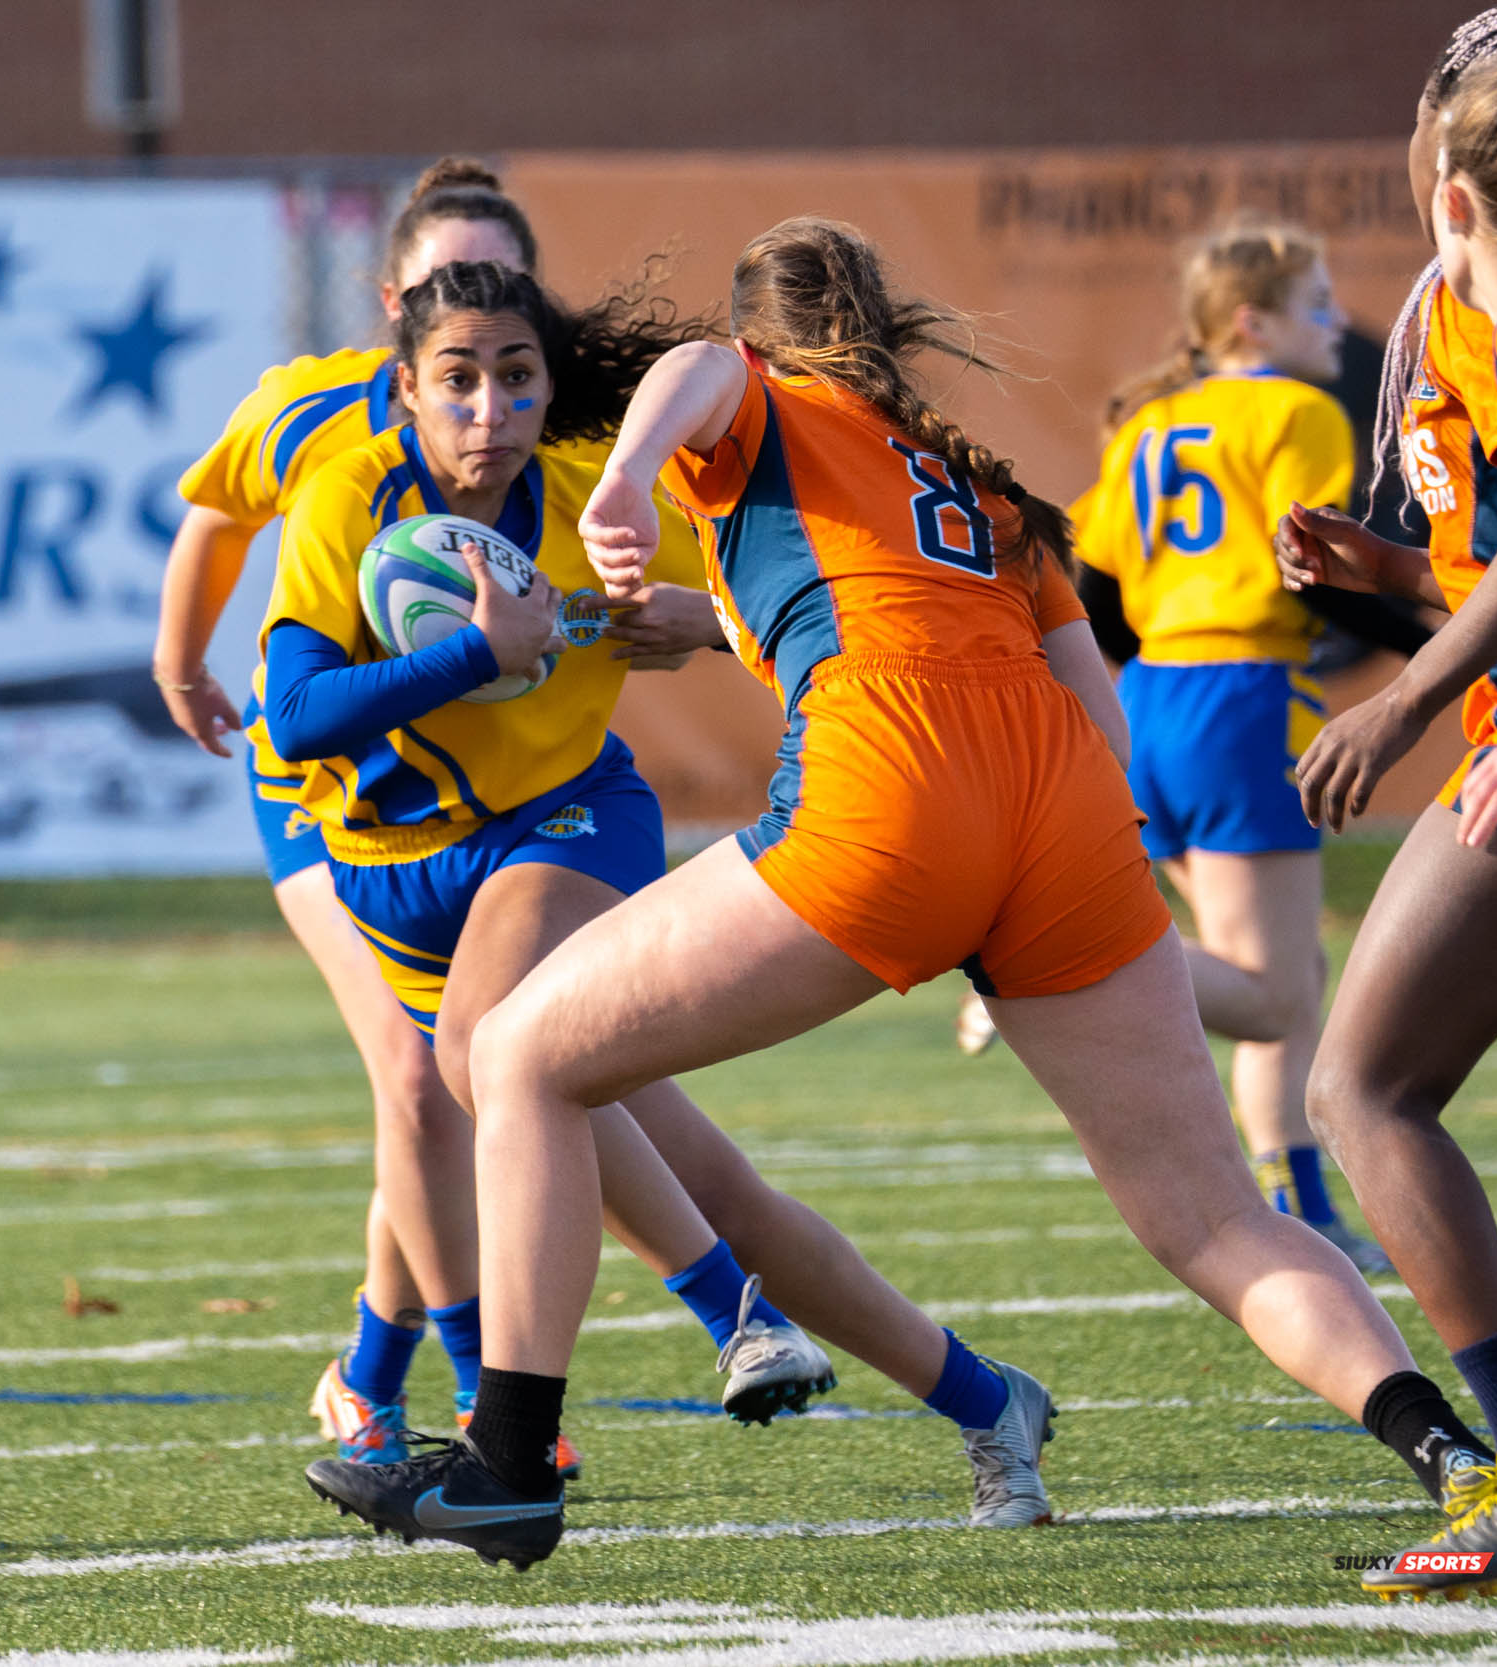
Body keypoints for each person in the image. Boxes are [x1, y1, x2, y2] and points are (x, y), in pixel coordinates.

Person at [303, 220, 1497, 1597]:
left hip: (896, 781)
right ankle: (1470, 1464)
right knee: (1210, 1212)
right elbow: (1084, 709)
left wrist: (632, 482)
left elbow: (707, 379)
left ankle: (510, 1465)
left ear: (763, 333)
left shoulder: (744, 383)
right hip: (1063, 814)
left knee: (519, 1052)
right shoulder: (979, 482)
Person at [281, 258, 1063, 1541]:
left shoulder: (603, 473)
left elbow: (800, 578)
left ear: (550, 379)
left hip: (568, 822)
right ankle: (988, 1398)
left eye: (516, 376)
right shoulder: (342, 492)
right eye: (458, 380)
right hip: (396, 865)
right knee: (719, 1190)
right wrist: (480, 652)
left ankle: (664, 1357)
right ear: (403, 383)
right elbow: (299, 712)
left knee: (492, 1050)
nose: (489, 407)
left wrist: (704, 619)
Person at [157, 161, 710, 1468]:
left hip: (494, 800)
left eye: (509, 289)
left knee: (477, 1068)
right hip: (330, 782)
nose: (480, 354)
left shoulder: (555, 436)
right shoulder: (313, 416)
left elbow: (654, 592)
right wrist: (180, 660)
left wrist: (686, 622)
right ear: (392, 299)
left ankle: (370, 1366)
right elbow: (212, 515)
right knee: (422, 1072)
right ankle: (481, 1388)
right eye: (439, 287)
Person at [1272, 7, 1497, 1552]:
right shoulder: (1462, 308)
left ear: (1450, 163)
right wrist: (1394, 572)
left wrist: (1406, 699)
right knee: (1364, 1085)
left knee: (1361, 1088)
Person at [1063, 222, 1403, 1276]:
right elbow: (1313, 560)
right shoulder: (1295, 409)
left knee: (1287, 972)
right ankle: (1052, 967)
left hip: (1150, 700)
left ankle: (1298, 1197)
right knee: (1273, 990)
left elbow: (1100, 592)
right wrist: (1442, 645)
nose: (1334, 322)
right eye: (1314, 302)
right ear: (1250, 319)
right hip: (1242, 692)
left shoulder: (1151, 421)